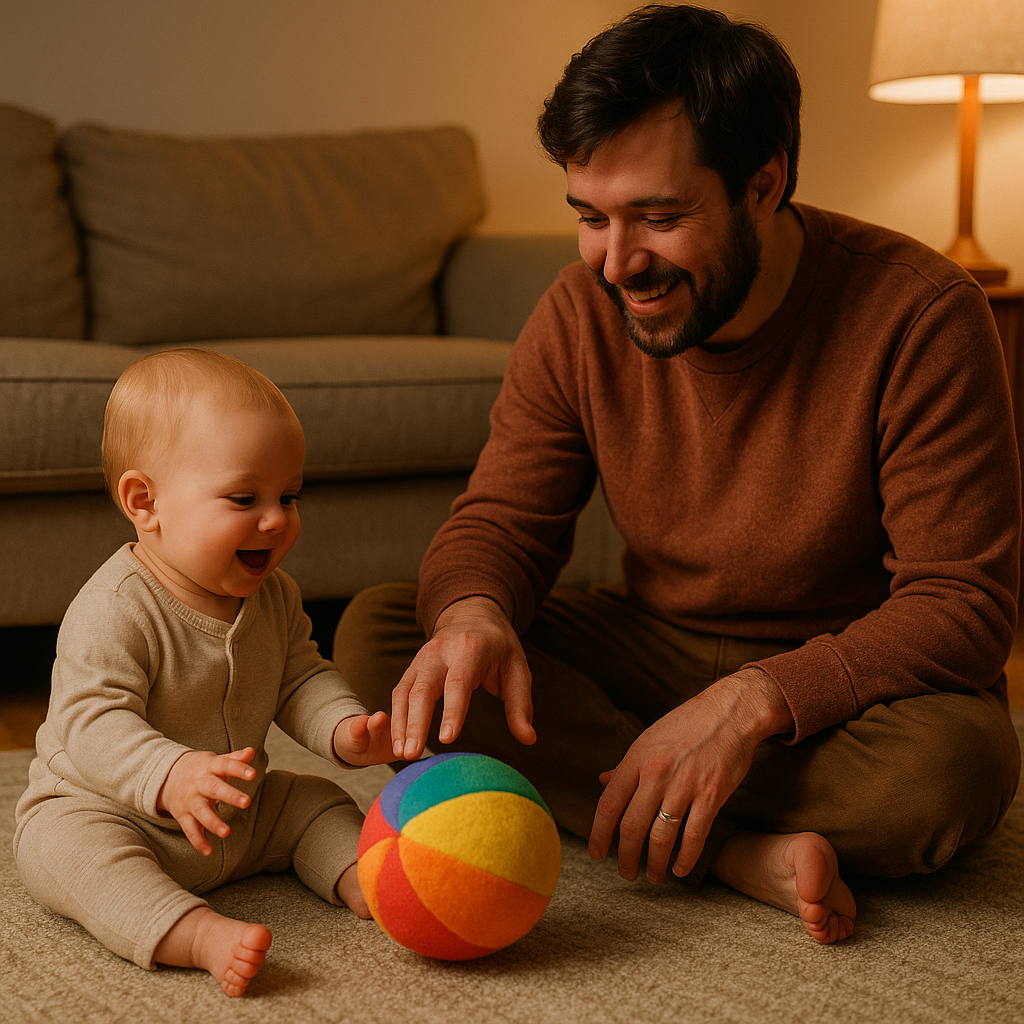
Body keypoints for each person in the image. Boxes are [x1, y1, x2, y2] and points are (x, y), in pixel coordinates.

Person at [333, 2, 1022, 945]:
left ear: (763, 184)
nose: (618, 266)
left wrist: (750, 705)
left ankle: (661, 797)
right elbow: (500, 520)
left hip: (838, 684)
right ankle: (734, 848)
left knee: (952, 770)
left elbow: (963, 607)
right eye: (590, 218)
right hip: (652, 646)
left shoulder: (923, 314)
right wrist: (474, 614)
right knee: (386, 638)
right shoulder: (579, 309)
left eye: (658, 217)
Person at [14, 348, 395, 996]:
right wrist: (171, 774)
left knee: (318, 800)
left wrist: (344, 728)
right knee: (66, 855)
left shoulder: (275, 596)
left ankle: (367, 877)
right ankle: (195, 932)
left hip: (237, 816)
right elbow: (90, 722)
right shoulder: (114, 607)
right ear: (146, 501)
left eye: (289, 495)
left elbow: (300, 675)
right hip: (110, 812)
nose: (276, 520)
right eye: (245, 497)